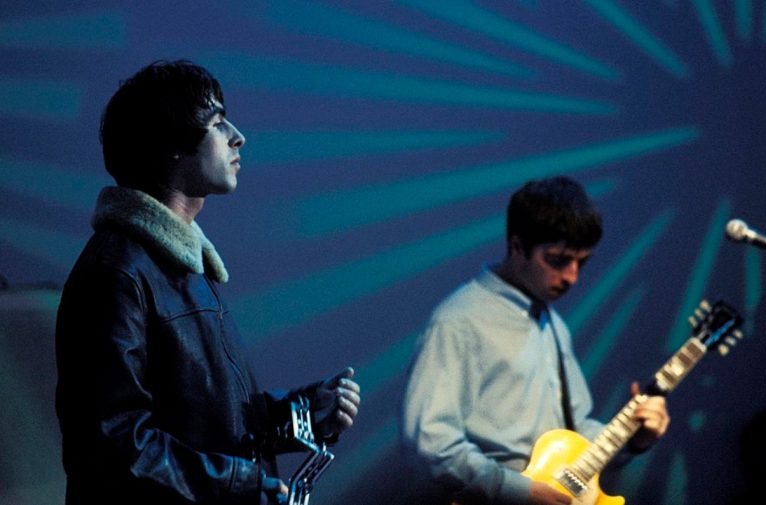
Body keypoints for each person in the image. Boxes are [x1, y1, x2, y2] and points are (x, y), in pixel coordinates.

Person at [55, 60, 361, 505]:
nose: (238, 136)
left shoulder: (177, 262)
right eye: (217, 123)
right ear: (172, 146)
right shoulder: (115, 273)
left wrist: (304, 414)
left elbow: (205, 422)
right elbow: (114, 449)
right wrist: (241, 484)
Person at [401, 176, 669, 505]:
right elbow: (430, 441)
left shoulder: (553, 323)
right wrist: (519, 491)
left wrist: (633, 438)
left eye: (581, 262)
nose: (572, 276)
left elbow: (576, 431)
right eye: (557, 260)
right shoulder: (458, 321)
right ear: (517, 247)